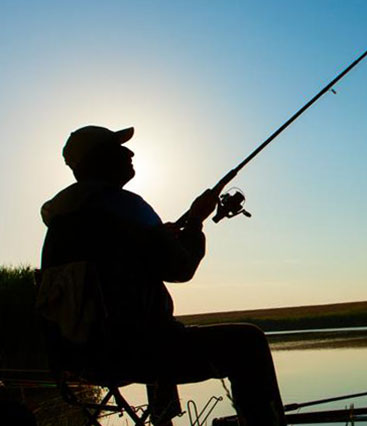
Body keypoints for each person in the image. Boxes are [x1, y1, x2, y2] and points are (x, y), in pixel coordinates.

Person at [37, 125, 287, 426]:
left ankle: (163, 422)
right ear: (99, 158)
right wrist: (195, 222)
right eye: (119, 148)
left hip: (79, 358)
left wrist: (159, 237)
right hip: (132, 354)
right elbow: (181, 268)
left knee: (154, 326)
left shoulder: (60, 223)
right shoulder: (125, 207)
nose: (129, 153)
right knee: (248, 342)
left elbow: (116, 268)